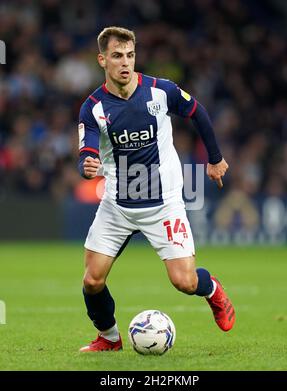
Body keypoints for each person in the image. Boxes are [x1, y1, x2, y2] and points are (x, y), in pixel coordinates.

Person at [78, 26, 235, 352]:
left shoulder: (160, 91)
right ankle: (109, 338)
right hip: (117, 205)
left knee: (184, 281)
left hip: (164, 204)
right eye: (118, 56)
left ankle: (212, 290)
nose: (125, 63)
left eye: (130, 55)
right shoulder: (92, 107)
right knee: (92, 281)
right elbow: (87, 152)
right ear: (102, 59)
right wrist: (87, 166)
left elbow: (198, 112)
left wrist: (215, 159)